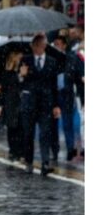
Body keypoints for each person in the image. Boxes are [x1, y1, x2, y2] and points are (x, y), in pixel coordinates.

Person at [21, 34, 62, 175]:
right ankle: (29, 162)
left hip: (46, 104)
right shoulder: (25, 60)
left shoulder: (52, 62)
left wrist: (56, 105)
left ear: (44, 46)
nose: (36, 48)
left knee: (45, 134)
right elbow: (19, 82)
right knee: (28, 134)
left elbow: (54, 85)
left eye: (39, 45)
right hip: (29, 103)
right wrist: (22, 75)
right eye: (34, 46)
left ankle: (45, 163)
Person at [53, 34, 83, 161]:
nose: (57, 47)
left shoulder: (71, 58)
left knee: (67, 123)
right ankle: (54, 149)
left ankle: (70, 148)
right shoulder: (52, 57)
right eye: (55, 44)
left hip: (67, 93)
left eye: (59, 44)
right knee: (53, 123)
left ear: (64, 45)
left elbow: (78, 78)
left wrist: (82, 98)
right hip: (54, 93)